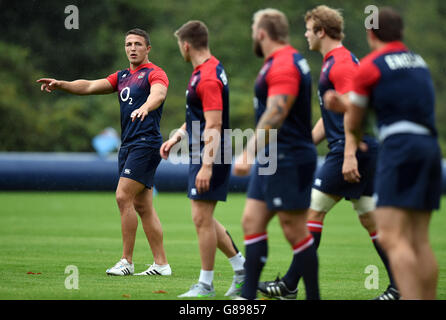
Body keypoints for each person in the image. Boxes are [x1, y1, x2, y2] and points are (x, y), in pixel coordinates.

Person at [258, 5, 398, 300]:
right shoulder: (334, 61)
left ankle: (290, 285)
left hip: (350, 150)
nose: (305, 35)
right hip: (360, 149)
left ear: (321, 31)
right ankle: (400, 287)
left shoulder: (342, 64)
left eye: (309, 29)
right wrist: (307, 144)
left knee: (312, 212)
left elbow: (353, 114)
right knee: (370, 220)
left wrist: (348, 154)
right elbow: (331, 116)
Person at [325, 7, 440, 300]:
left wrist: (341, 109)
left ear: (371, 33)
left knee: (391, 236)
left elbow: (354, 116)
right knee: (419, 239)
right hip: (429, 149)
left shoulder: (372, 64)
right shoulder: (418, 61)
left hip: (399, 149)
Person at [37, 28, 171, 277]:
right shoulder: (121, 77)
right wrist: (62, 84)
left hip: (145, 143)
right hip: (129, 145)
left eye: (138, 44)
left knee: (122, 197)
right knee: (143, 206)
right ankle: (161, 265)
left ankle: (126, 262)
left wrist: (146, 106)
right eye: (128, 44)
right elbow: (88, 86)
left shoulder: (155, 73)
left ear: (148, 48)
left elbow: (159, 94)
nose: (132, 48)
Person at [233, 8, 319, 300]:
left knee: (294, 229)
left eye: (252, 32)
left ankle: (313, 297)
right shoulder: (279, 61)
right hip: (274, 155)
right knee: (251, 221)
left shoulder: (283, 63)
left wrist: (248, 152)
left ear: (261, 34)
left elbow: (276, 111)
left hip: (288, 156)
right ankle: (247, 298)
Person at [160, 20, 245, 298]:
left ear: (186, 45)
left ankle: (206, 285)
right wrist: (177, 137)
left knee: (200, 218)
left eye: (179, 46)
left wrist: (207, 165)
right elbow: (197, 118)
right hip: (203, 151)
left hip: (211, 153)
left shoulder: (207, 76)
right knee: (204, 218)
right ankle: (244, 271)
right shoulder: (206, 70)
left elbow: (213, 124)